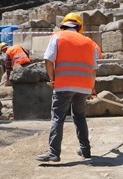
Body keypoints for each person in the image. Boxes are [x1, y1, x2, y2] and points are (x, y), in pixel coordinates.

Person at [38, 12, 102, 163]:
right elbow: (93, 69)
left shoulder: (58, 37)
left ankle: (54, 152)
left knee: (58, 116)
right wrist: (92, 88)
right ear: (79, 27)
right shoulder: (89, 42)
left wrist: (52, 79)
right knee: (79, 116)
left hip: (64, 85)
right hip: (84, 87)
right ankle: (85, 150)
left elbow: (48, 59)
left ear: (64, 25)